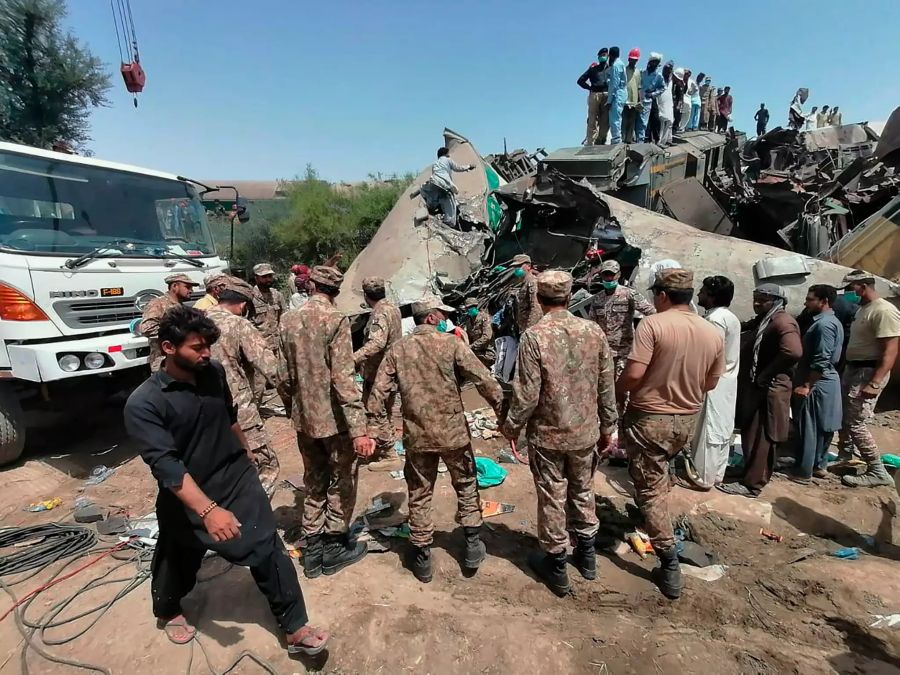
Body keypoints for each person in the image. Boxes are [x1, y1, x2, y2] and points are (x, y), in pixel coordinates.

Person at [123, 306, 328, 655]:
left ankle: (295, 627)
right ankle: (169, 609)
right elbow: (168, 467)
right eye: (197, 348)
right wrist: (209, 511)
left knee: (267, 546)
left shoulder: (213, 371)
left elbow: (230, 416)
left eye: (208, 346)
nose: (206, 354)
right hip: (187, 491)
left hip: (236, 476)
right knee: (179, 555)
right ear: (168, 348)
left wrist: (246, 451)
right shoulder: (144, 404)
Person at [368, 294, 503, 583]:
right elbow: (484, 380)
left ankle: (422, 555)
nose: (444, 320)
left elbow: (378, 394)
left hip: (417, 437)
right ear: (430, 317)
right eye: (442, 314)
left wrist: (378, 430)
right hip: (453, 433)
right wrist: (504, 414)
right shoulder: (453, 344)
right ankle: (471, 544)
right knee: (466, 484)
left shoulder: (398, 350)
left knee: (419, 492)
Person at [501, 271, 617, 597]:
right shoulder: (593, 331)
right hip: (585, 433)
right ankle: (588, 557)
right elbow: (606, 386)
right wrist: (609, 428)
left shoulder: (534, 337)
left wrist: (511, 428)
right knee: (583, 490)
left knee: (552, 496)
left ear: (539, 299)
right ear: (568, 297)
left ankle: (557, 566)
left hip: (548, 437)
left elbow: (526, 395)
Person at [617, 268, 724, 599]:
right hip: (685, 420)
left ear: (662, 296)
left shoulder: (653, 325)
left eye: (654, 295)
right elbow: (710, 383)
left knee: (649, 488)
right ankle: (652, 512)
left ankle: (668, 562)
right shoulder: (711, 332)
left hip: (651, 417)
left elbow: (634, 374)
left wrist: (617, 392)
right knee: (659, 472)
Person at [280, 266, 375, 578]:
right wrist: (359, 429)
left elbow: (282, 375)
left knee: (313, 479)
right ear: (335, 290)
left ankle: (313, 550)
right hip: (334, 421)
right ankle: (333, 547)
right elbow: (344, 378)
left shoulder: (287, 319)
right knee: (340, 479)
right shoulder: (336, 320)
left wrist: (294, 407)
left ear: (310, 286)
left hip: (303, 419)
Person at [720, 284, 801, 498]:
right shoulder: (766, 319)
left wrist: (766, 374)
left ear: (776, 301)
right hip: (758, 388)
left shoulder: (783, 321)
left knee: (761, 437)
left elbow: (792, 351)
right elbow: (746, 326)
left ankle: (752, 484)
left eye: (762, 299)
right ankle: (748, 472)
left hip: (770, 390)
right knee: (751, 433)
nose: (756, 303)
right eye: (755, 298)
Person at [205, 276, 283, 495]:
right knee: (266, 464)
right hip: (239, 410)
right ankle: (254, 519)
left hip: (203, 411)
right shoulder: (238, 324)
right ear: (242, 304)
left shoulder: (197, 319)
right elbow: (270, 367)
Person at [837, 270, 900, 487]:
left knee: (856, 422)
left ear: (863, 286)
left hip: (868, 372)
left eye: (850, 288)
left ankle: (877, 470)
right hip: (854, 368)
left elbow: (891, 349)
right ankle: (845, 457)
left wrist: (874, 382)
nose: (847, 293)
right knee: (845, 416)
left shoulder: (884, 311)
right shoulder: (864, 309)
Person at [687, 276, 740, 490]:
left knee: (709, 431)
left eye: (702, 291)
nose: (698, 294)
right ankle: (716, 474)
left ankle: (704, 477)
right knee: (720, 429)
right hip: (726, 382)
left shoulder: (715, 320)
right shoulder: (730, 317)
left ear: (711, 296)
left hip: (714, 383)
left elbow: (710, 354)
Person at [791, 285, 843, 483]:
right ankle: (818, 466)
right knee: (822, 426)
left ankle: (803, 471)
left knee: (809, 426)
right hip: (825, 380)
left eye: (810, 299)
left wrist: (807, 385)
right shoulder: (831, 322)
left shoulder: (824, 325)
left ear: (824, 301)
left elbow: (822, 358)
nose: (806, 302)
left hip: (817, 381)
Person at [353, 276, 403, 457]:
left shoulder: (380, 313)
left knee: (376, 410)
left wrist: (353, 359)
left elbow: (377, 343)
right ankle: (385, 446)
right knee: (386, 410)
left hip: (380, 371)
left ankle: (388, 452)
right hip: (391, 368)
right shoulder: (393, 308)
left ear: (366, 295)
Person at [588, 260, 656, 380]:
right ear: (601, 276)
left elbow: (651, 312)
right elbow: (592, 325)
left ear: (618, 274)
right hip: (604, 350)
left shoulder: (629, 294)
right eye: (606, 274)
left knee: (623, 385)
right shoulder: (597, 299)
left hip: (624, 350)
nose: (609, 278)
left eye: (612, 274)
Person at [141, 273, 199, 372]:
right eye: (187, 287)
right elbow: (146, 329)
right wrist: (177, 334)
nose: (191, 291)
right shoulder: (158, 303)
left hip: (180, 362)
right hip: (164, 363)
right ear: (174, 286)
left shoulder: (181, 307)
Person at [420, 147, 476, 226]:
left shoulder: (435, 163)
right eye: (448, 154)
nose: (449, 155)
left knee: (437, 198)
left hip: (434, 183)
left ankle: (431, 207)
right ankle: (449, 223)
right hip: (444, 184)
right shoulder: (447, 160)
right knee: (451, 205)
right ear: (445, 154)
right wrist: (469, 166)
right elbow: (458, 168)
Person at [578, 48, 610, 145]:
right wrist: (589, 88)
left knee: (605, 120)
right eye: (601, 55)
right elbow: (580, 81)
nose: (602, 57)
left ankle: (601, 141)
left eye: (604, 55)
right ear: (598, 57)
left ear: (608, 56)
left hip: (607, 95)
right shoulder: (593, 70)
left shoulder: (611, 69)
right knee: (592, 120)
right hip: (594, 95)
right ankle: (591, 143)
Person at [511, 254, 542, 334]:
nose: (516, 269)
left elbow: (536, 309)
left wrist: (529, 331)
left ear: (528, 266)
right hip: (526, 329)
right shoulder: (523, 284)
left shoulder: (533, 283)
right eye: (515, 267)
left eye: (519, 266)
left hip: (534, 330)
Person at [637, 53, 665, 143]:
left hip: (650, 100)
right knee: (638, 121)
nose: (654, 65)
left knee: (652, 120)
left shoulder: (658, 76)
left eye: (656, 64)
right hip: (639, 100)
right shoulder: (642, 73)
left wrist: (653, 94)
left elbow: (662, 88)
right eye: (653, 63)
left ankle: (651, 140)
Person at [462, 297, 496, 368]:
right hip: (474, 352)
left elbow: (487, 337)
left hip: (487, 353)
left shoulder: (485, 318)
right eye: (469, 308)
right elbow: (468, 337)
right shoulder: (468, 322)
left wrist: (472, 346)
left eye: (473, 307)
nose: (471, 309)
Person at [604, 46, 627, 145]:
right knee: (618, 117)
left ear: (611, 55)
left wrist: (609, 101)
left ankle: (616, 140)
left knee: (614, 119)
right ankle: (617, 139)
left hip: (617, 95)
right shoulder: (621, 64)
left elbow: (614, 84)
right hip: (622, 93)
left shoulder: (616, 66)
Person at [622, 48, 642, 143]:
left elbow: (638, 87)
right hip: (625, 101)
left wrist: (639, 100)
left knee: (632, 122)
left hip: (634, 102)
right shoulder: (624, 71)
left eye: (635, 60)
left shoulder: (638, 72)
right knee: (624, 122)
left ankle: (629, 140)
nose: (633, 61)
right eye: (631, 59)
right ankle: (622, 140)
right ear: (628, 59)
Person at [658, 62, 675, 146]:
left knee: (669, 122)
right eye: (667, 70)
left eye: (670, 71)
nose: (668, 72)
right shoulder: (660, 78)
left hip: (668, 103)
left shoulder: (670, 81)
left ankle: (664, 141)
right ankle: (659, 141)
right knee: (661, 122)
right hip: (660, 102)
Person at [672, 67, 686, 133]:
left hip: (677, 102)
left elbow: (680, 96)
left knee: (677, 116)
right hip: (671, 101)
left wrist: (678, 105)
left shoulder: (681, 84)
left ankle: (674, 129)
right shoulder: (671, 81)